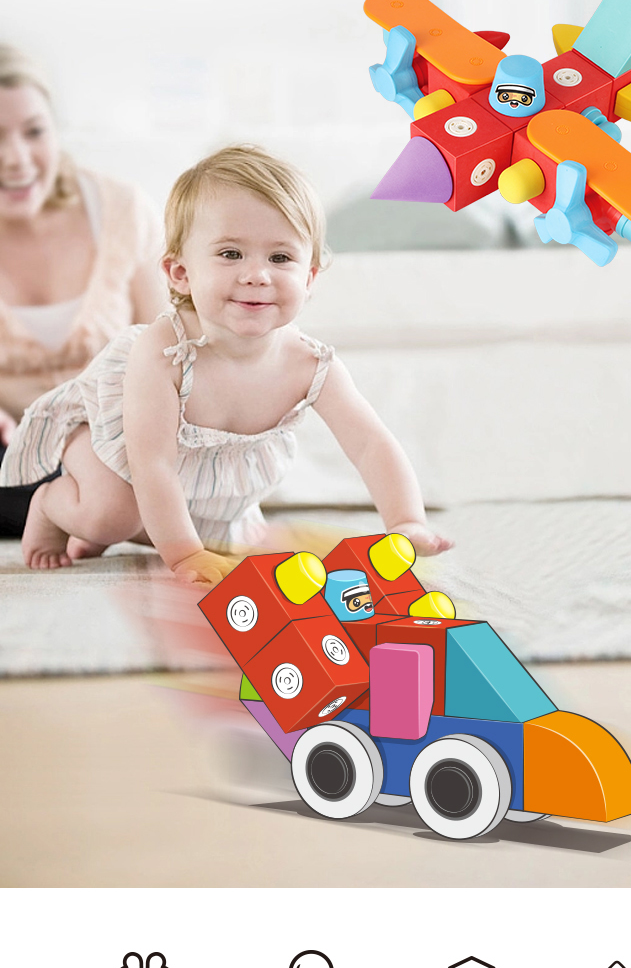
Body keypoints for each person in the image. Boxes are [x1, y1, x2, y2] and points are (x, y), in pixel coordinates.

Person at [1, 146, 451, 582]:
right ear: (181, 273)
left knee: (228, 544)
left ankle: (122, 533)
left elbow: (371, 444)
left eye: (280, 258)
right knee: (110, 513)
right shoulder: (164, 351)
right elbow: (151, 464)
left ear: (309, 278)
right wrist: (185, 556)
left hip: (205, 486)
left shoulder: (311, 366)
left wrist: (407, 521)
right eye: (231, 253)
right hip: (113, 450)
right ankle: (53, 506)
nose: (257, 274)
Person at [0, 44, 165, 535]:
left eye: (34, 132)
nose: (17, 159)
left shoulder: (122, 210)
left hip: (115, 443)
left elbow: (173, 346)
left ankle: (92, 507)